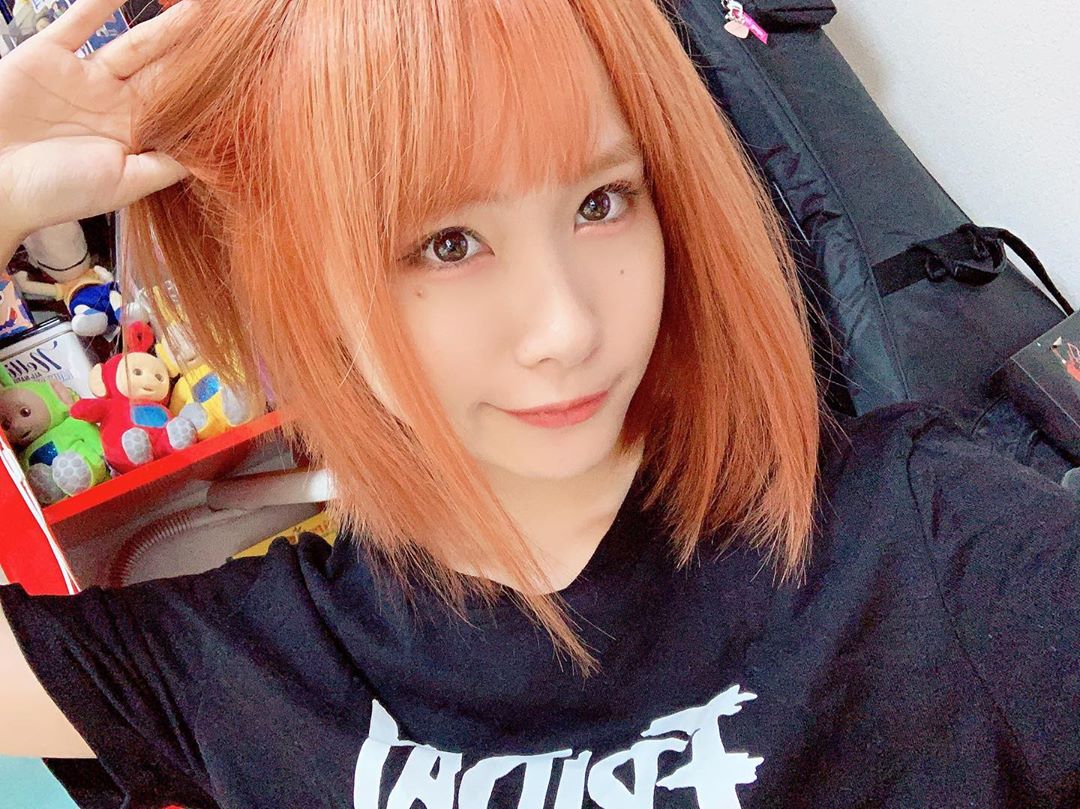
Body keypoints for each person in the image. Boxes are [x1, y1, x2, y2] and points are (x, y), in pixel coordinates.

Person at [0, 0, 1076, 807]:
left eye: (602, 201)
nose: (565, 324)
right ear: (302, 281)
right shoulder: (251, 665)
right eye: (447, 242)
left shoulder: (920, 534)